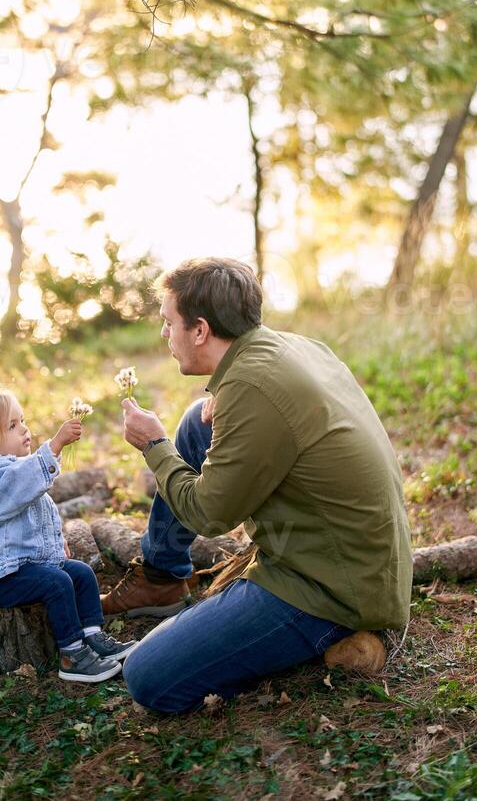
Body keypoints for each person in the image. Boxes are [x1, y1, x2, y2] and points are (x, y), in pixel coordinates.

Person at [100, 257, 413, 713]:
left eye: (169, 324)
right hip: (354, 552)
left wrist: (153, 446)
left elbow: (210, 515)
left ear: (201, 330)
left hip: (331, 586)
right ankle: (162, 577)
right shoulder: (287, 347)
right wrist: (221, 402)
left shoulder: (252, 387)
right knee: (195, 422)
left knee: (148, 676)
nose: (164, 335)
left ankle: (333, 631)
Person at [0, 384, 135, 683]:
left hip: (23, 564)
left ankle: (92, 635)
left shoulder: (12, 468)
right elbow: (21, 485)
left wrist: (56, 539)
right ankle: (72, 654)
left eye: (21, 420)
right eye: (12, 425)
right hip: (0, 576)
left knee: (81, 574)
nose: (24, 429)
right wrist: (54, 446)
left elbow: (38, 509)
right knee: (58, 583)